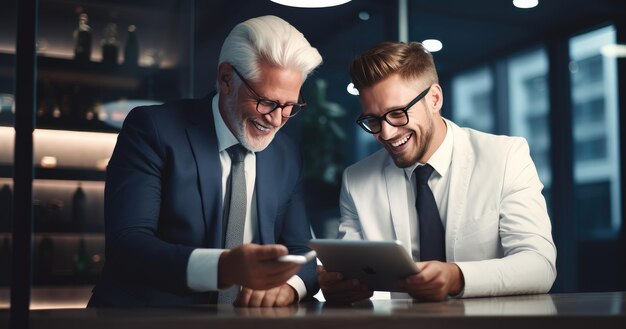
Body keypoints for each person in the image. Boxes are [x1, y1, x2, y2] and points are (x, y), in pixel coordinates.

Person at [88, 15, 323, 307]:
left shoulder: (286, 155)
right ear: (226, 79)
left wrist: (288, 288)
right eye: (266, 102)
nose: (276, 119)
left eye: (289, 106)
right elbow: (128, 244)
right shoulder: (153, 129)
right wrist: (223, 268)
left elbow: (302, 251)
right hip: (144, 326)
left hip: (248, 328)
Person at [318, 41, 556, 303]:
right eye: (373, 120)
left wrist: (456, 276)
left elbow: (539, 265)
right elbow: (351, 271)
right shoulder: (356, 180)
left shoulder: (505, 156)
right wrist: (338, 286)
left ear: (434, 99)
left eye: (397, 113)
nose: (386, 134)